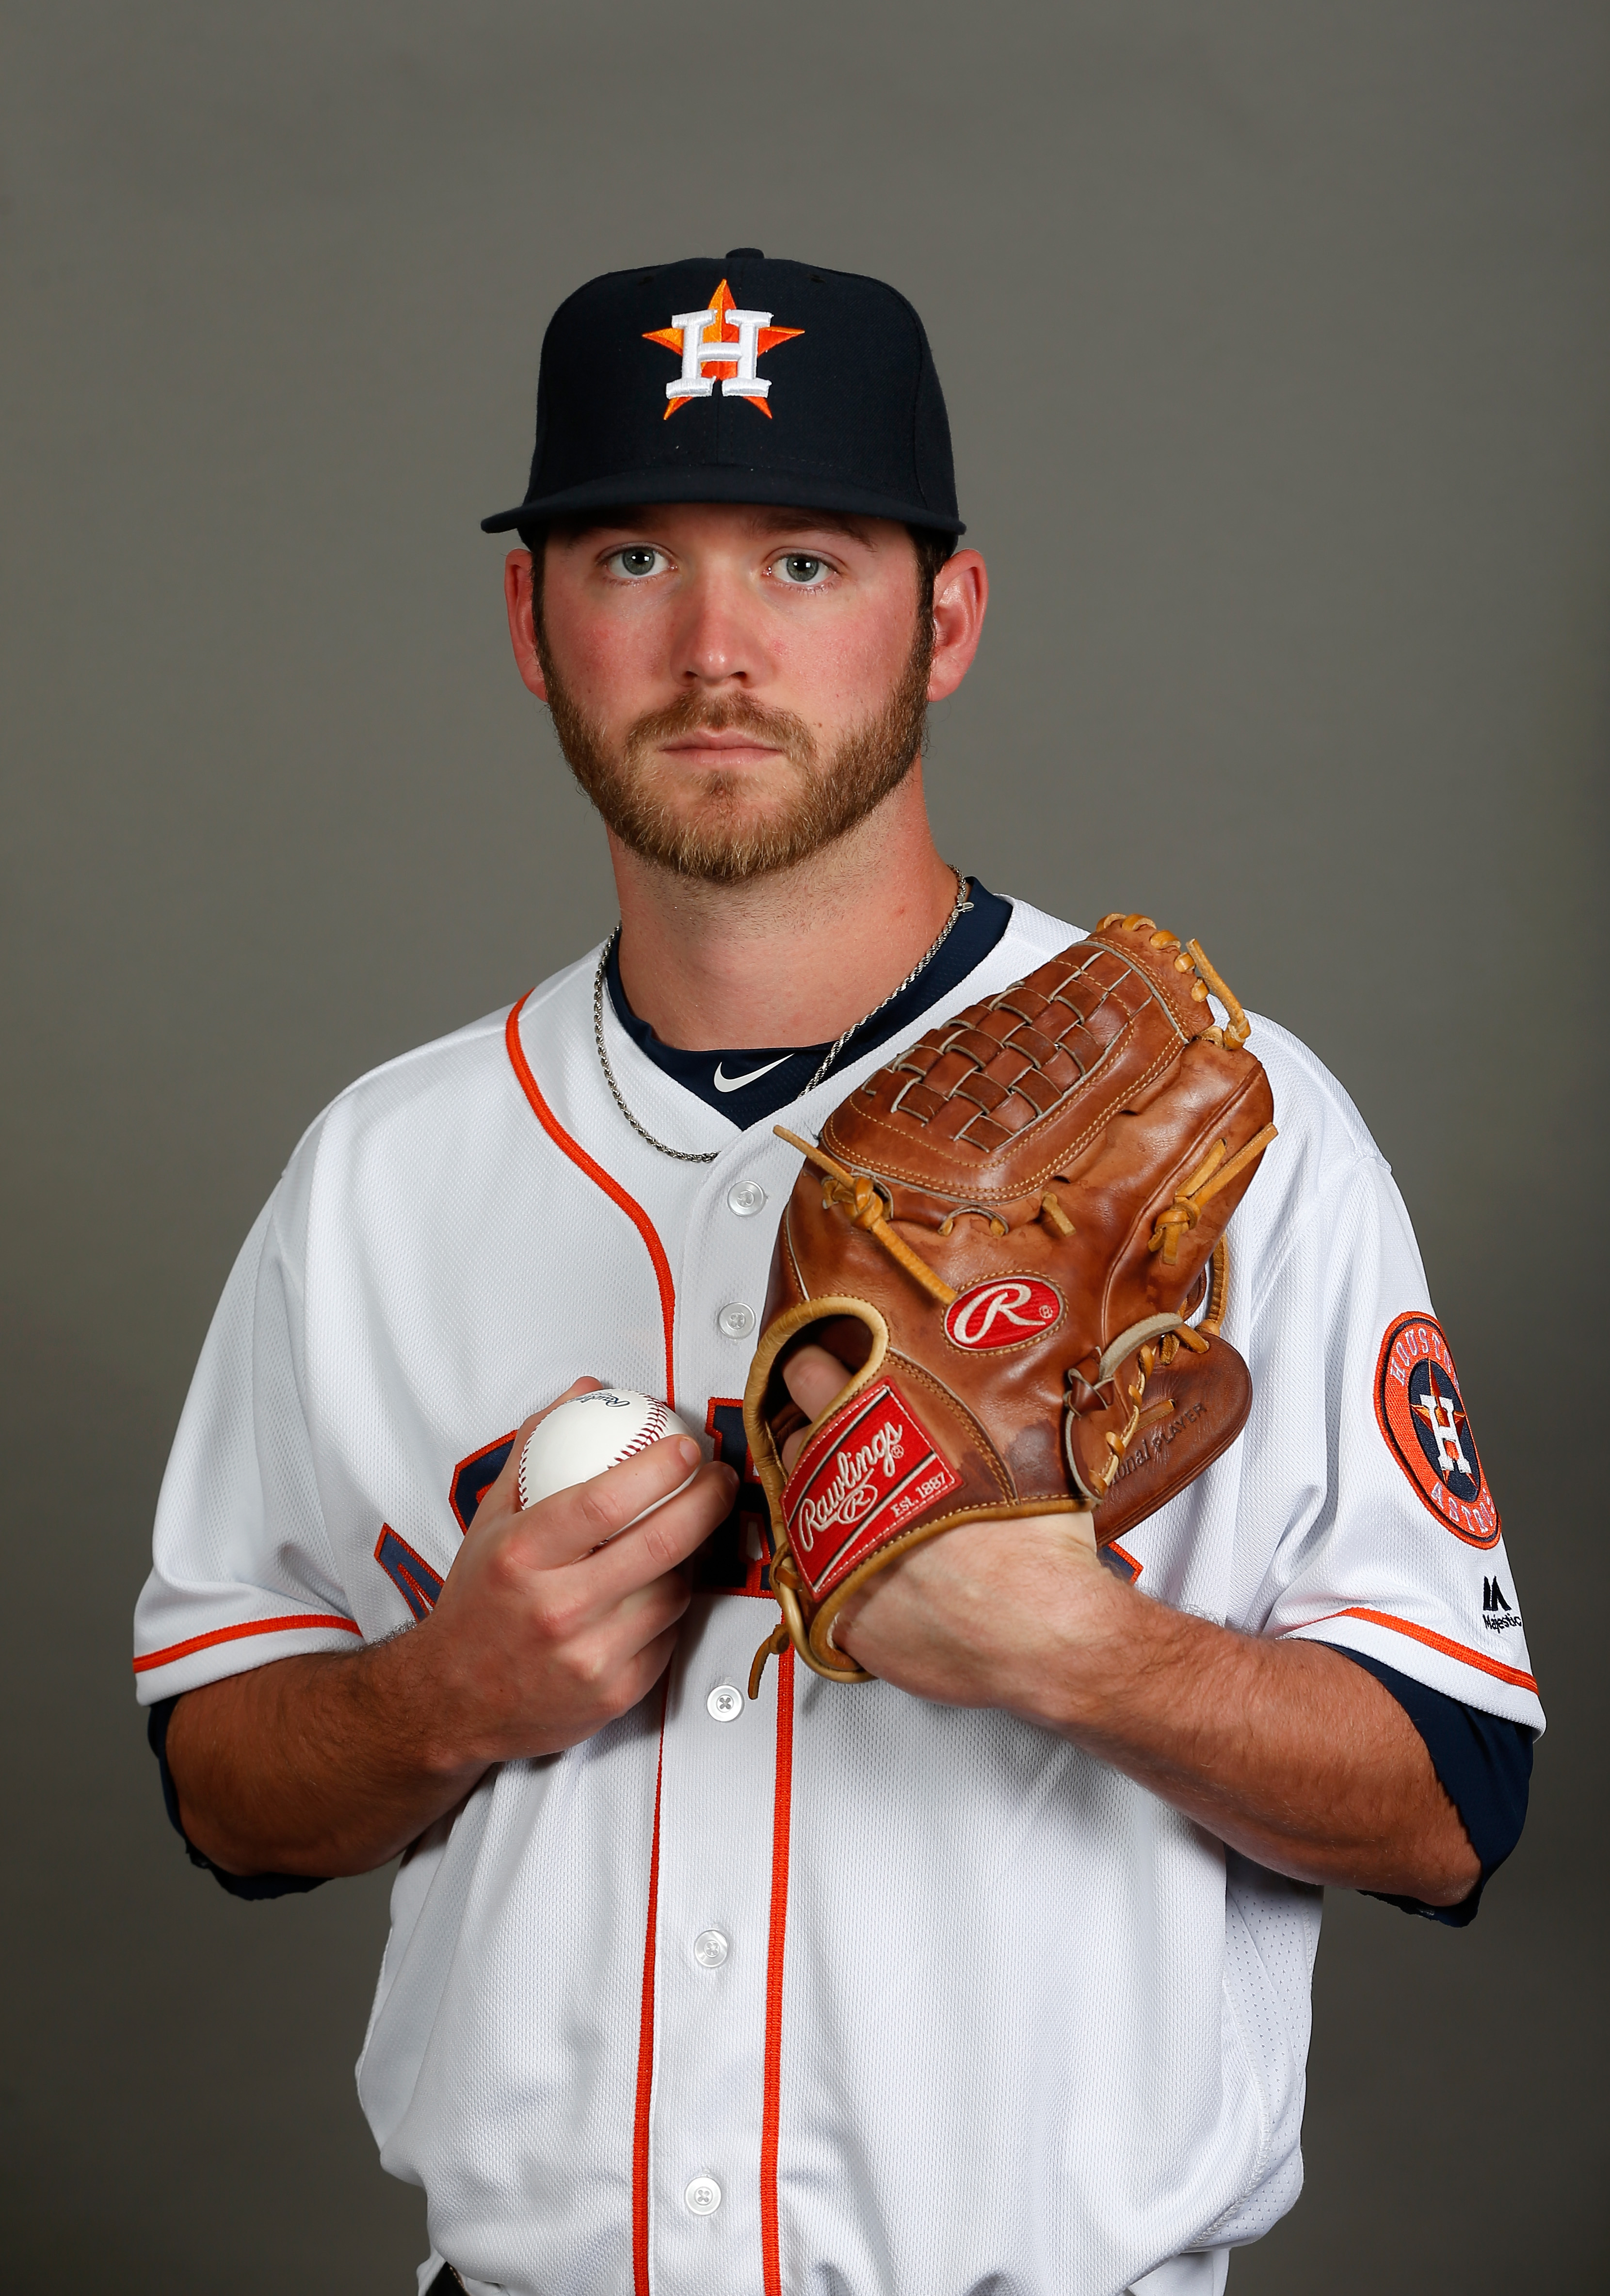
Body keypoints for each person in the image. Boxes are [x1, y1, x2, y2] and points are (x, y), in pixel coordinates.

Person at [134, 252, 1541, 2296]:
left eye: (803, 561)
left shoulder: (1228, 1128)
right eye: (628, 557)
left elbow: (1451, 1799)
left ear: (943, 616)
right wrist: (445, 1695)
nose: (714, 648)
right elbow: (225, 1785)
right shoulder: (379, 1171)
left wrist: (1080, 1651)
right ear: (530, 625)